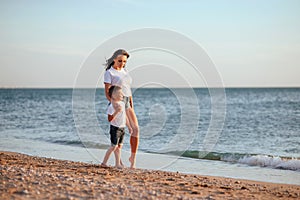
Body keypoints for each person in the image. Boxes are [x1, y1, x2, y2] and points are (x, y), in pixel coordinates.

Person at [104, 49, 139, 169]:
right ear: (114, 59)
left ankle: (132, 158)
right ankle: (118, 162)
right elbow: (107, 93)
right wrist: (115, 104)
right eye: (120, 61)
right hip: (117, 102)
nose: (122, 63)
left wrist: (131, 105)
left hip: (127, 102)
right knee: (119, 131)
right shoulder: (109, 73)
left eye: (124, 61)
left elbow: (128, 90)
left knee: (135, 130)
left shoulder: (125, 71)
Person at [101, 86, 131, 168]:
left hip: (122, 128)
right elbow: (109, 119)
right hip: (115, 128)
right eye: (120, 93)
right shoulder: (111, 106)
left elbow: (125, 116)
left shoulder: (122, 103)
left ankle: (117, 164)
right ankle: (104, 163)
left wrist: (129, 127)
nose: (122, 95)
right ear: (114, 95)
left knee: (119, 147)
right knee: (113, 146)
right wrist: (117, 111)